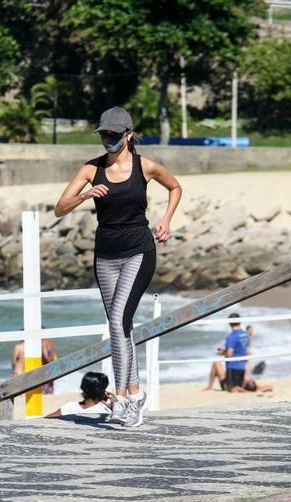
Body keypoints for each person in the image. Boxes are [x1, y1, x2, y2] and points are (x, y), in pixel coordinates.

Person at [54, 106, 181, 427]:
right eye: (104, 135)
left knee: (118, 321)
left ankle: (124, 398)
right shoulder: (90, 169)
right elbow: (59, 208)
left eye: (113, 134)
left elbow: (175, 187)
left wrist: (165, 219)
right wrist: (84, 195)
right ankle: (136, 395)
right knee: (119, 326)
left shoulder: (146, 167)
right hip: (106, 254)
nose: (108, 140)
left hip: (139, 249)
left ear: (128, 134)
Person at [47, 372, 114, 417]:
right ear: (103, 391)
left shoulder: (70, 407)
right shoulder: (106, 410)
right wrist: (115, 405)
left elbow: (47, 418)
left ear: (82, 387)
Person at [222, 313, 250, 391]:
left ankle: (209, 387)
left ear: (229, 323)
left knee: (229, 388)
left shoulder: (232, 336)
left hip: (233, 367)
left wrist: (222, 353)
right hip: (243, 367)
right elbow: (247, 352)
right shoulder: (245, 335)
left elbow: (229, 354)